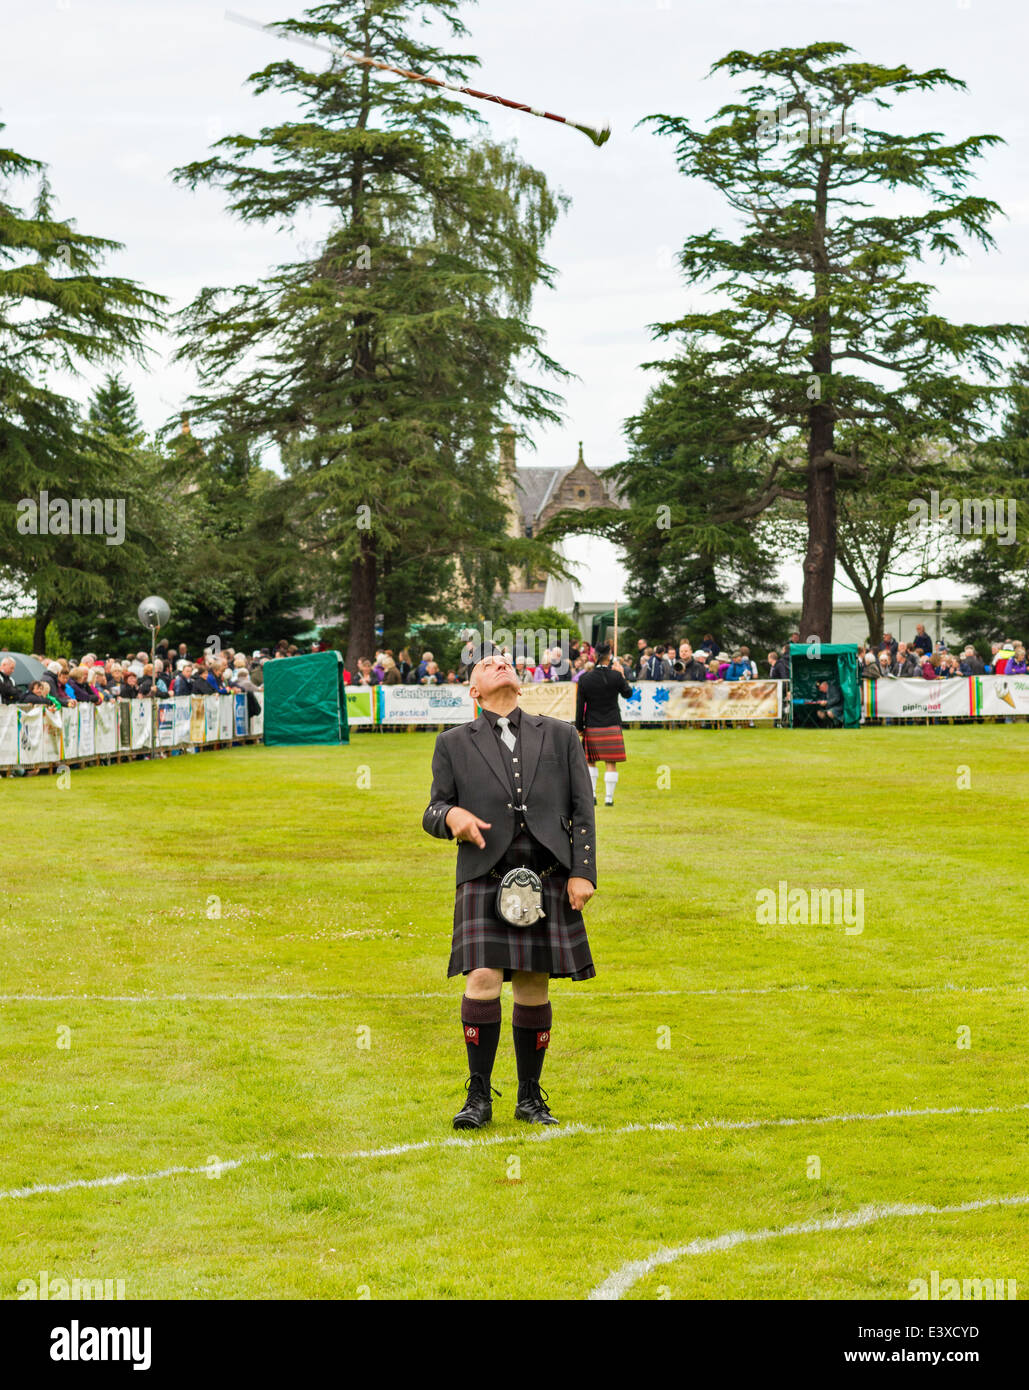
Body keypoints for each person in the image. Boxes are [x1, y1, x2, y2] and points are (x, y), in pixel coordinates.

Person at [423, 646, 597, 1131]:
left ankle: (529, 1097)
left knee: (533, 983)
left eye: (506, 662)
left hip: (547, 874)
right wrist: (451, 816)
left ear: (520, 683)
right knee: (482, 978)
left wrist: (583, 872)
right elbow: (432, 811)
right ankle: (478, 1096)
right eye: (486, 664)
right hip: (485, 874)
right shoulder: (453, 743)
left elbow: (583, 811)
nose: (499, 663)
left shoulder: (561, 736)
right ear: (473, 691)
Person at [574, 643, 632, 807]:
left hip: (592, 725)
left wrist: (579, 726)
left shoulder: (585, 678)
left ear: (594, 656)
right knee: (610, 763)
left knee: (590, 762)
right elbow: (628, 694)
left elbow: (580, 706)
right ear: (609, 656)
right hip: (612, 724)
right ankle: (609, 798)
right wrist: (622, 675)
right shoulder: (616, 676)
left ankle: (592, 796)